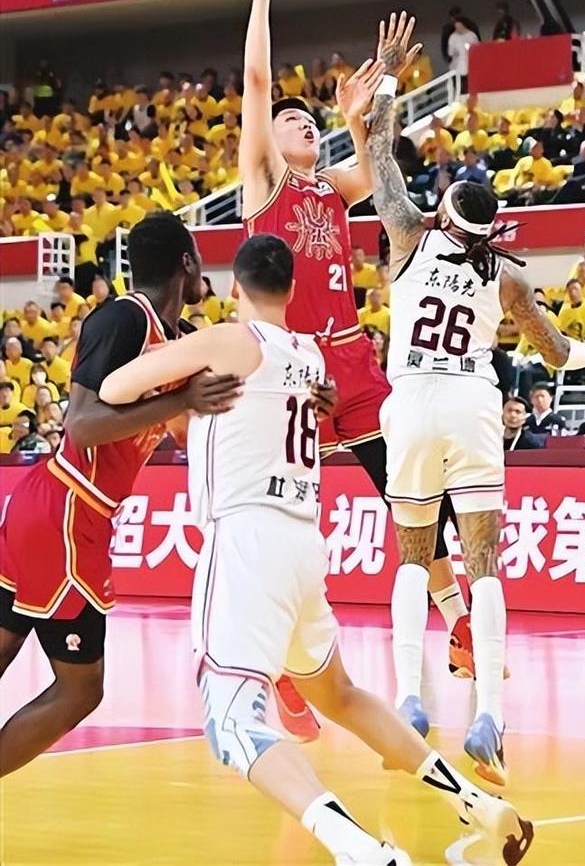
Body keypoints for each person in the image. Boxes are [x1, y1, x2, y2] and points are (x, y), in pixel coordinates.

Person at [100, 233, 534, 866]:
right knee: (341, 695)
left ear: (235, 287)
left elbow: (114, 388)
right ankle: (475, 801)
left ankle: (361, 851)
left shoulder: (224, 342)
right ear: (293, 290)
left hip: (246, 541)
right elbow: (230, 424)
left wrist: (179, 386)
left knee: (233, 728)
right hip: (303, 544)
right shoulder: (309, 355)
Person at [365, 71, 585, 787]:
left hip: (411, 399)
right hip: (472, 403)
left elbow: (378, 151)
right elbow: (557, 352)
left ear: (444, 212)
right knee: (481, 561)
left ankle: (409, 700)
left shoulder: (409, 236)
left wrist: (387, 78)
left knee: (413, 558)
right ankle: (488, 717)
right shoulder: (508, 277)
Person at [240, 0, 469, 738]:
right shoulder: (263, 183)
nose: (299, 121)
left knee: (408, 490)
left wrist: (361, 112)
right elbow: (259, 80)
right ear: (268, 140)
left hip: (353, 361)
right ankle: (283, 667)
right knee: (284, 521)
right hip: (289, 373)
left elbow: (376, 167)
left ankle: (459, 618)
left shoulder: (332, 187)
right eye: (289, 119)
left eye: (308, 119)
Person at [0, 214, 242, 776]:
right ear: (188, 263)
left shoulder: (179, 340)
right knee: (81, 689)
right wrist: (181, 401)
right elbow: (82, 425)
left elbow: (182, 430)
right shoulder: (122, 318)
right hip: (69, 509)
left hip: (55, 509)